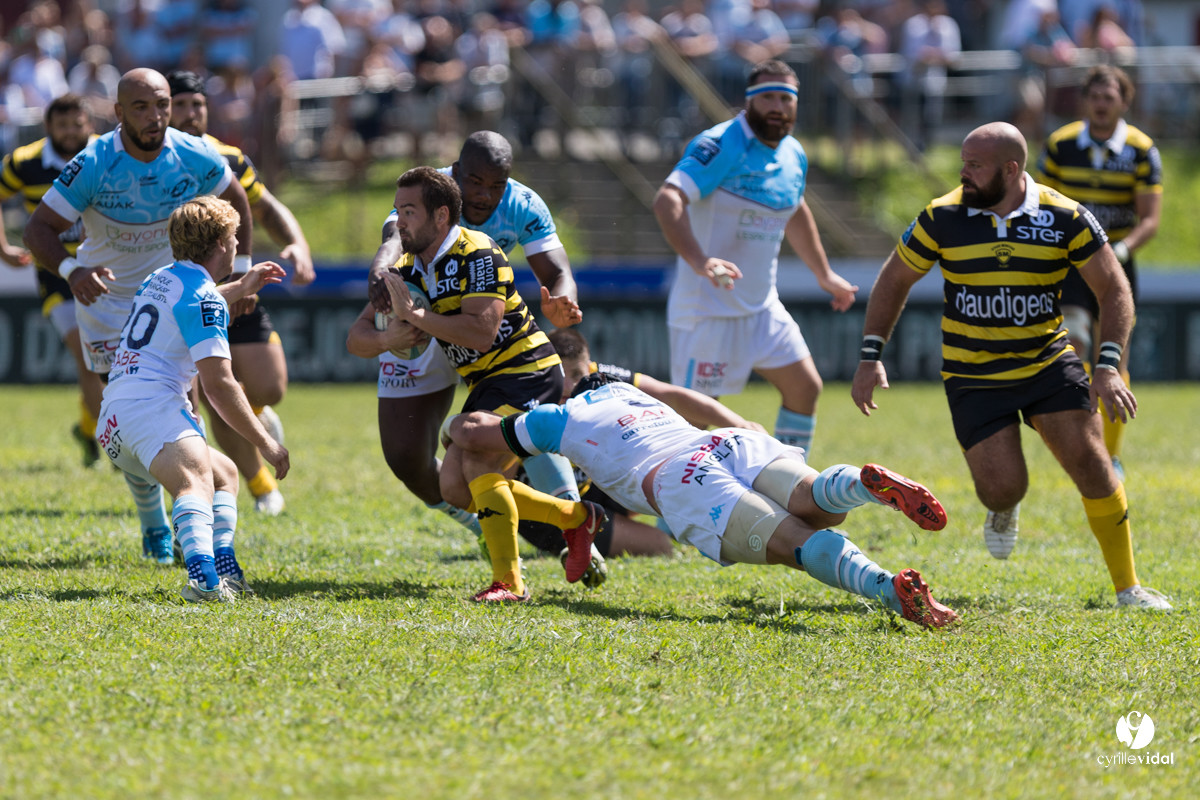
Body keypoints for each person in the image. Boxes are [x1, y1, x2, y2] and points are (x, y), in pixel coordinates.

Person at [850, 121, 1171, 611]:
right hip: (973, 376)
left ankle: (1129, 588)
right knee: (1001, 489)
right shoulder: (942, 216)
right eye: (963, 162)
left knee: (1092, 463)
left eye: (974, 165)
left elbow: (1114, 287)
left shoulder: (1065, 216)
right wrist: (871, 355)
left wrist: (1106, 365)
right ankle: (1004, 509)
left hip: (1048, 364)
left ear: (1011, 169)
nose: (963, 173)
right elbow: (894, 280)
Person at [447, 371, 958, 628]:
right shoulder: (634, 393)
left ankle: (889, 589)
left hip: (682, 479)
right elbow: (685, 397)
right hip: (725, 442)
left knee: (800, 545)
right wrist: (736, 421)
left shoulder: (562, 417)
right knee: (818, 497)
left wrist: (456, 424)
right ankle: (862, 485)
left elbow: (475, 432)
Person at [24, 68, 254, 565]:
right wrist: (71, 268)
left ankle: (193, 520)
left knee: (184, 406)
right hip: (106, 306)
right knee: (126, 418)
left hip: (172, 298)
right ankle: (154, 522)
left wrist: (242, 269)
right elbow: (38, 229)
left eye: (164, 105)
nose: (156, 118)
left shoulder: (192, 154)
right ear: (119, 112)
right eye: (143, 108)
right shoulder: (93, 162)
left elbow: (238, 200)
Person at [351, 131, 589, 569]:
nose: (485, 196)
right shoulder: (427, 191)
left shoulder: (500, 230)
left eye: (496, 185)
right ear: (454, 177)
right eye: (475, 183)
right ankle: (497, 523)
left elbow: (557, 273)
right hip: (430, 317)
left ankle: (573, 528)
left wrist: (561, 301)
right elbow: (392, 239)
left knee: (494, 436)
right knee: (410, 458)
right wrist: (384, 287)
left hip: (488, 336)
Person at [653, 59, 857, 458]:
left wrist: (825, 274)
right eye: (767, 97)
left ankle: (787, 482)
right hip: (707, 310)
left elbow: (795, 211)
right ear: (747, 102)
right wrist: (701, 261)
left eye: (786, 97)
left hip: (762, 307)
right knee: (695, 422)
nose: (778, 106)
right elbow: (667, 199)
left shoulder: (794, 153)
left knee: (804, 387)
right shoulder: (722, 143)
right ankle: (672, 513)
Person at [97, 196, 288, 602]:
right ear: (221, 245)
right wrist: (267, 443)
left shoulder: (161, 277)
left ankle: (222, 564)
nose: (237, 244)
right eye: (234, 236)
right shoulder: (203, 300)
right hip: (151, 411)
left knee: (225, 474)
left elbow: (196, 298)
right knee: (195, 483)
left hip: (115, 418)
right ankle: (202, 580)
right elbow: (220, 386)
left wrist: (242, 286)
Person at [167, 69, 317, 516]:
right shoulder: (151, 162)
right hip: (183, 300)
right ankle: (259, 483)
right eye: (182, 105)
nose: (192, 114)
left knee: (270, 387)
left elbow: (266, 207)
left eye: (198, 105)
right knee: (208, 398)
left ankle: (255, 416)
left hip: (237, 287)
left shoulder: (228, 157)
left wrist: (299, 244)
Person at [509, 325, 770, 564]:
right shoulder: (532, 393)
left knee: (683, 424)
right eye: (561, 375)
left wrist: (739, 423)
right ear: (546, 370)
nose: (569, 386)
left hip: (599, 487)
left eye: (577, 374)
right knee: (661, 545)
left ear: (589, 367)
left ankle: (688, 511)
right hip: (551, 514)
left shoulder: (600, 378)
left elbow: (672, 395)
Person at [1035, 65, 1160, 482]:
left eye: (1110, 97)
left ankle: (1111, 455)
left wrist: (1119, 251)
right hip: (1070, 264)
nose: (1101, 105)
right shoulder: (1060, 144)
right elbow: (1041, 202)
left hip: (1117, 267)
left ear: (1124, 101)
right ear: (1084, 101)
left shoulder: (1141, 150)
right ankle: (1080, 444)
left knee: (1113, 355)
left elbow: (1149, 219)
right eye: (1095, 97)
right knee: (1075, 342)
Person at [0, 93, 103, 466]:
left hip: (109, 272)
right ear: (48, 128)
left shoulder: (108, 156)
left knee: (112, 359)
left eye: (78, 125)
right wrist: (3, 247)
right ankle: (118, 442)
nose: (71, 133)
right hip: (56, 275)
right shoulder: (25, 162)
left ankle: (90, 428)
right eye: (63, 126)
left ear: (89, 125)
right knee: (88, 354)